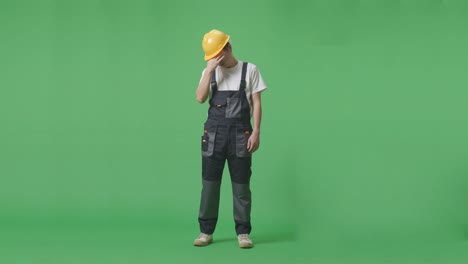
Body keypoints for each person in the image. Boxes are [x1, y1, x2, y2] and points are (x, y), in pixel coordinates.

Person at [193, 29, 267, 249]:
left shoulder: (249, 69)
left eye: (218, 55)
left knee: (241, 186)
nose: (216, 60)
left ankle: (243, 232)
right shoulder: (210, 72)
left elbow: (256, 103)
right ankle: (205, 232)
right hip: (214, 135)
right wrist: (208, 71)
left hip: (240, 135)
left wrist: (256, 131)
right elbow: (199, 98)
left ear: (228, 48)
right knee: (209, 186)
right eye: (212, 57)